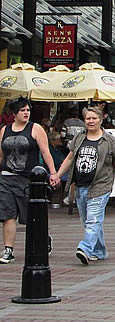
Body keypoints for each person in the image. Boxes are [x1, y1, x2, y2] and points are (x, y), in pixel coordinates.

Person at [53, 106, 115, 265]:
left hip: (101, 186)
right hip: (80, 185)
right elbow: (69, 158)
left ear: (101, 120)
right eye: (88, 118)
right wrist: (58, 175)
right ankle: (99, 251)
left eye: (94, 118)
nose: (91, 121)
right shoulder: (80, 137)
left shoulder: (109, 140)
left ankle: (85, 248)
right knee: (89, 221)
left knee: (93, 220)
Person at [0, 97, 61, 264]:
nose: (26, 113)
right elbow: (1, 155)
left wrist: (53, 173)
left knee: (31, 216)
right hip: (6, 177)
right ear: (14, 113)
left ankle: (43, 240)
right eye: (22, 110)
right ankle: (8, 250)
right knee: (8, 215)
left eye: (27, 110)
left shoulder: (35, 129)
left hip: (28, 179)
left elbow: (45, 152)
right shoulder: (5, 130)